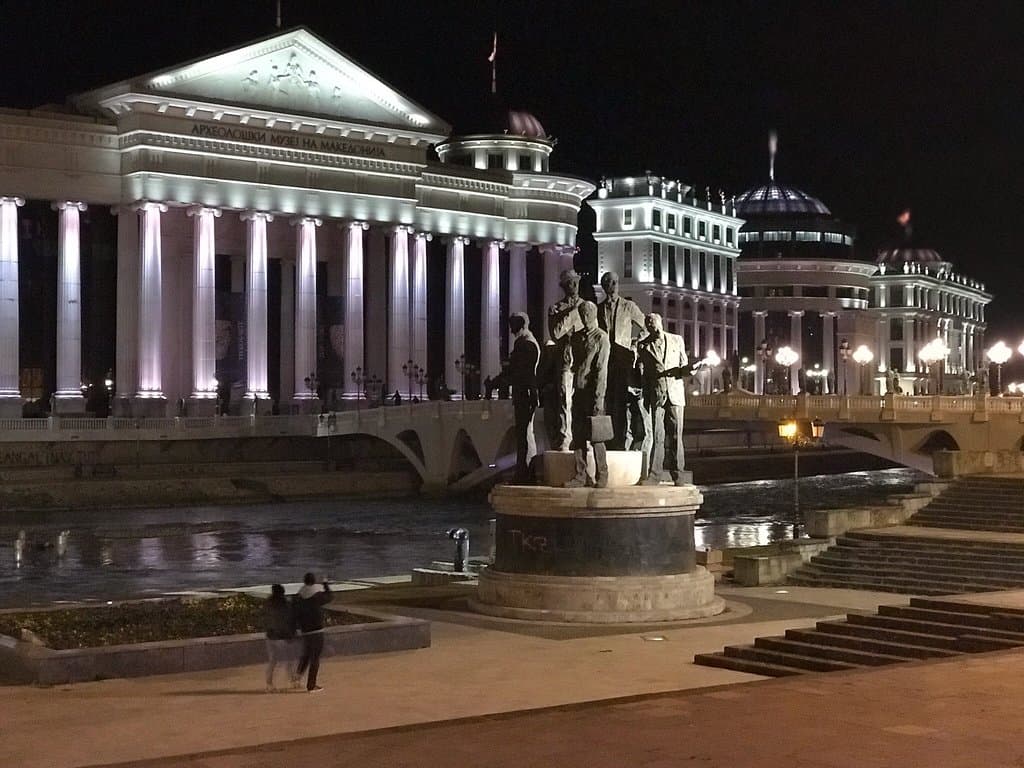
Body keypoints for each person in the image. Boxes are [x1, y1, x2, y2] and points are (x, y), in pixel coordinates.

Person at [637, 312, 689, 485]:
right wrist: (645, 394)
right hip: (657, 394)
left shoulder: (677, 340)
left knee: (676, 436)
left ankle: (678, 474)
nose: (651, 325)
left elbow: (684, 365)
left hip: (675, 393)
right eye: (648, 324)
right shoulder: (643, 346)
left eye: (653, 322)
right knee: (658, 435)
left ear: (660, 322)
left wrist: (691, 370)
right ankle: (655, 474)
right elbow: (644, 374)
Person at [596, 271, 646, 449]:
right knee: (608, 401)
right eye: (608, 282)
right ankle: (610, 440)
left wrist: (635, 344)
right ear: (603, 286)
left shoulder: (628, 306)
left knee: (622, 401)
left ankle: (620, 441)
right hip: (606, 360)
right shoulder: (598, 308)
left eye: (615, 282)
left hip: (624, 358)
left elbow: (645, 327)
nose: (612, 285)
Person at [565, 301, 610, 488]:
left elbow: (601, 370)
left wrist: (599, 398)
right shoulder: (576, 337)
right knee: (578, 435)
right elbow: (573, 364)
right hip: (579, 392)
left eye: (588, 314)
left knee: (597, 436)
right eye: (583, 314)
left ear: (594, 314)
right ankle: (581, 475)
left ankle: (602, 475)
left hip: (593, 394)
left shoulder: (601, 338)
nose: (585, 318)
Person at [545, 269, 584, 451]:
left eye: (576, 282)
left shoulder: (587, 306)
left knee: (583, 400)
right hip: (566, 358)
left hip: (584, 359)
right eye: (570, 283)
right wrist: (574, 314)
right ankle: (565, 436)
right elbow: (556, 333)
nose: (574, 286)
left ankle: (583, 437)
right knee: (564, 399)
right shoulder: (556, 309)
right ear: (564, 286)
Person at [508, 312, 540, 483]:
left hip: (524, 395)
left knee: (524, 434)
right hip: (526, 394)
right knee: (525, 434)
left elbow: (522, 372)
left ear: (521, 325)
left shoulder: (525, 345)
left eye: (513, 326)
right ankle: (526, 472)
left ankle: (524, 473)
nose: (511, 331)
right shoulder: (528, 342)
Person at [291, 572, 333, 692]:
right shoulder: (316, 596)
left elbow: (293, 614)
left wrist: (294, 629)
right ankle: (311, 685)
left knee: (307, 654)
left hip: (305, 631)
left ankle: (297, 677)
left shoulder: (298, 597)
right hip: (317, 630)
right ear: (313, 581)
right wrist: (325, 583)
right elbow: (329, 597)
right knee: (315, 658)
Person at [264, 584, 296, 693]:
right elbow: (289, 621)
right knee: (289, 659)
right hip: (282, 636)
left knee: (273, 661)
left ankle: (269, 684)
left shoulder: (268, 604)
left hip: (270, 636)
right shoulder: (286, 604)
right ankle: (292, 680)